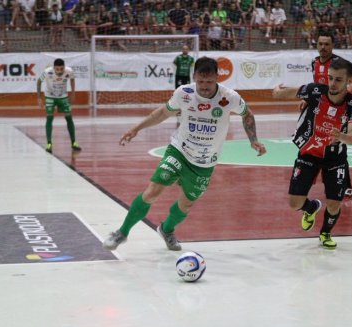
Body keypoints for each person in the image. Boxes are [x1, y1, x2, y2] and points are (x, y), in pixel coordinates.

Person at [102, 57, 267, 251]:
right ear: (194, 76)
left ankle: (166, 230)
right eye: (201, 81)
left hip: (205, 161)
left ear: (217, 77)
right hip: (180, 150)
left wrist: (253, 140)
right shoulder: (184, 93)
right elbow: (163, 113)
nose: (204, 86)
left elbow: (247, 114)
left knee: (186, 204)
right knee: (153, 190)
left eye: (209, 81)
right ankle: (121, 233)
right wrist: (136, 128)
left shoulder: (229, 97)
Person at [272, 57, 352, 250]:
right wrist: (277, 92)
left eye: (338, 79)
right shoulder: (316, 91)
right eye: (330, 78)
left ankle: (325, 233)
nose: (332, 83)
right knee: (294, 203)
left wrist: (341, 136)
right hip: (309, 152)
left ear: (349, 80)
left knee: (334, 204)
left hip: (335, 157)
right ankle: (311, 207)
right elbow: (288, 93)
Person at [309, 31, 352, 198]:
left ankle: (346, 185)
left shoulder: (339, 64)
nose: (323, 47)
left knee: (338, 147)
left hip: (338, 111)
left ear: (332, 46)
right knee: (318, 144)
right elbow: (317, 87)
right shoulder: (314, 63)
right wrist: (308, 100)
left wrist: (339, 97)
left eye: (327, 44)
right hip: (321, 112)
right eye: (320, 44)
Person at [37, 58, 79, 153]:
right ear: (54, 68)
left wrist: (73, 93)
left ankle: (73, 142)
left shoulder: (69, 71)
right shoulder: (47, 72)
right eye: (57, 69)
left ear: (64, 67)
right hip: (50, 96)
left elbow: (72, 79)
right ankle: (49, 143)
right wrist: (39, 98)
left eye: (61, 69)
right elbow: (39, 81)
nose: (59, 71)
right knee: (49, 117)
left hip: (63, 96)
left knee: (69, 117)